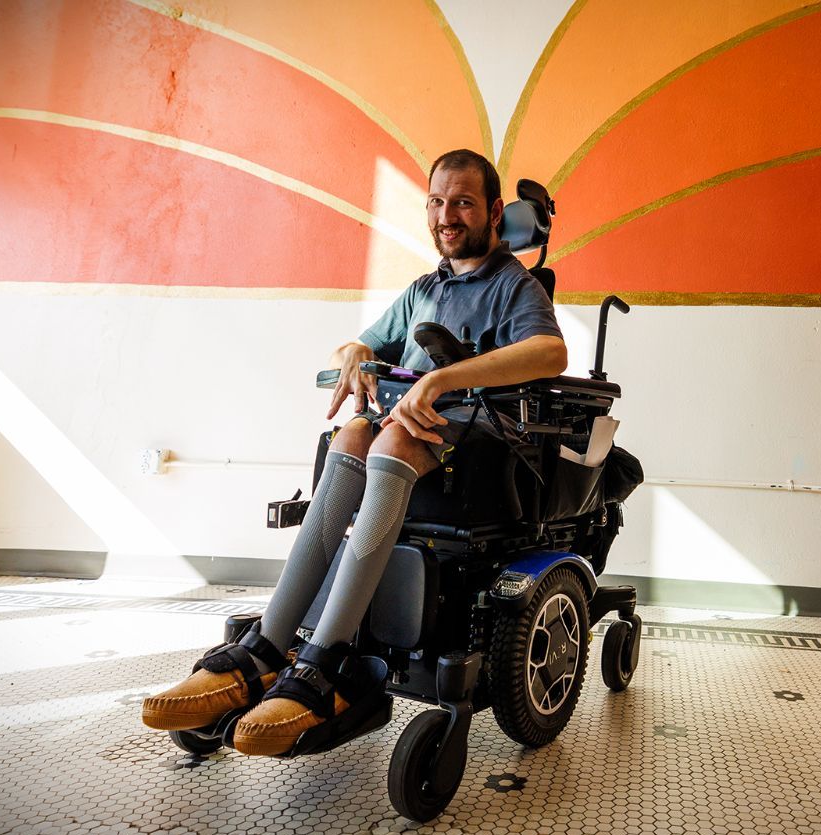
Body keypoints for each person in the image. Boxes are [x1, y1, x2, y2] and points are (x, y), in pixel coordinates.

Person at [142, 149, 567, 756]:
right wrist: (352, 353)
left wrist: (443, 379)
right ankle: (268, 647)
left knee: (388, 433)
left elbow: (550, 354)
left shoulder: (511, 286)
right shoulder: (424, 288)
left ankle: (324, 657)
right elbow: (366, 342)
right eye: (437, 202)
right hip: (403, 429)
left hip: (476, 443)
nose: (447, 216)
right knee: (351, 433)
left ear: (495, 212)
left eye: (464, 202)